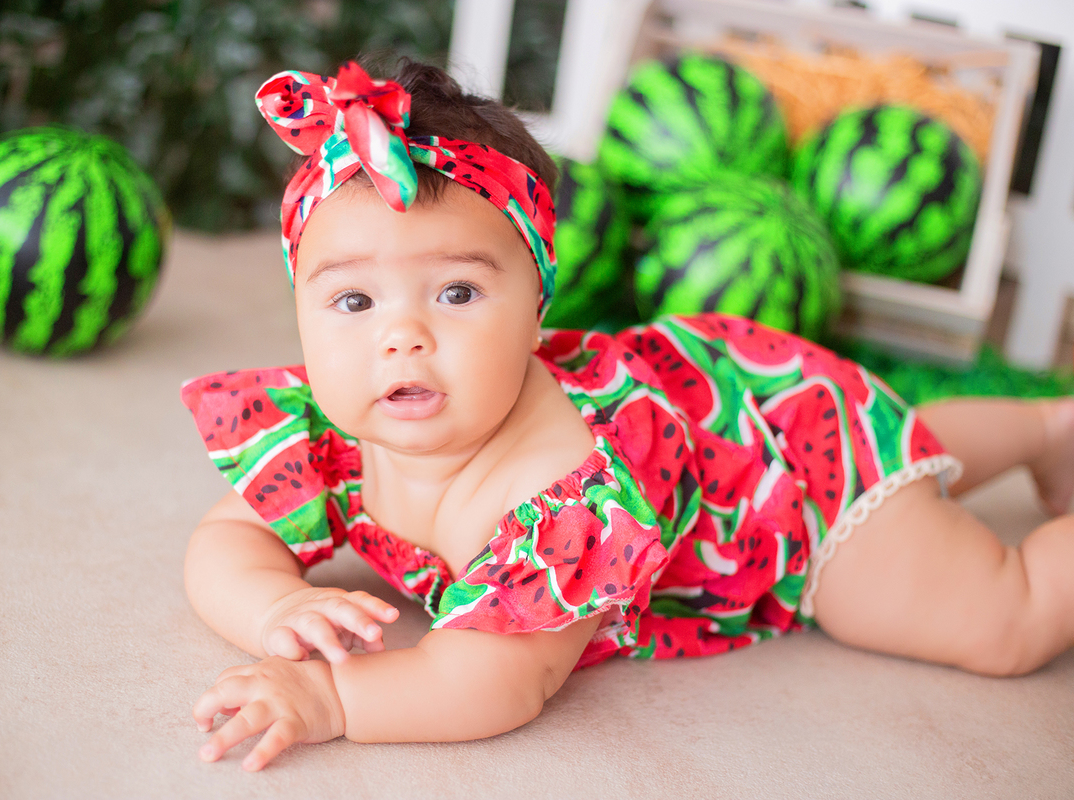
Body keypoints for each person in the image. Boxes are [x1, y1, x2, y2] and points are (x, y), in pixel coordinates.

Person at [179, 59, 1074, 772]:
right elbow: (226, 542)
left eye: (455, 292)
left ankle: (1027, 485)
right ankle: (1045, 429)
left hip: (789, 487)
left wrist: (335, 701)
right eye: (353, 303)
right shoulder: (328, 437)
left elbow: (493, 681)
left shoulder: (560, 495)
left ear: (538, 312)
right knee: (896, 438)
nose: (402, 338)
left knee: (997, 620)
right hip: (729, 396)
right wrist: (277, 608)